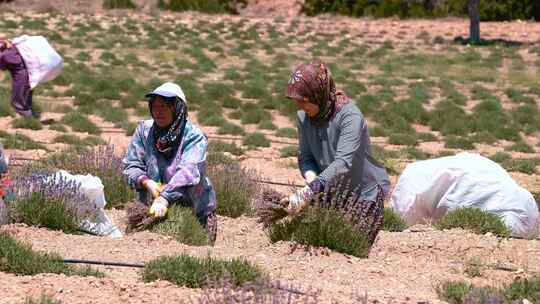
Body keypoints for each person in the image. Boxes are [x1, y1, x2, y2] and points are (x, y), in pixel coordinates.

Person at [281, 61, 390, 245]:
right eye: (297, 101)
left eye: (303, 100)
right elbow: (306, 156)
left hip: (363, 196)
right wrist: (311, 179)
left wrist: (309, 192)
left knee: (350, 247)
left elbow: (343, 163)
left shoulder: (350, 117)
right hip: (329, 192)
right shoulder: (303, 117)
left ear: (318, 94)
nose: (299, 106)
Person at [122, 82, 217, 243]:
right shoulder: (144, 131)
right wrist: (147, 182)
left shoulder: (194, 137)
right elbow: (131, 165)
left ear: (177, 109)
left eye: (164, 106)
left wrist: (164, 198)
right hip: (151, 210)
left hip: (193, 210)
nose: (158, 111)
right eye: (155, 106)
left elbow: (188, 172)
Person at [0, 38, 37, 118]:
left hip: (20, 76)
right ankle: (29, 115)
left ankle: (26, 116)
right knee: (26, 95)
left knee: (17, 97)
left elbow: (2, 67)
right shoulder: (15, 48)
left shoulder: (5, 54)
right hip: (30, 74)